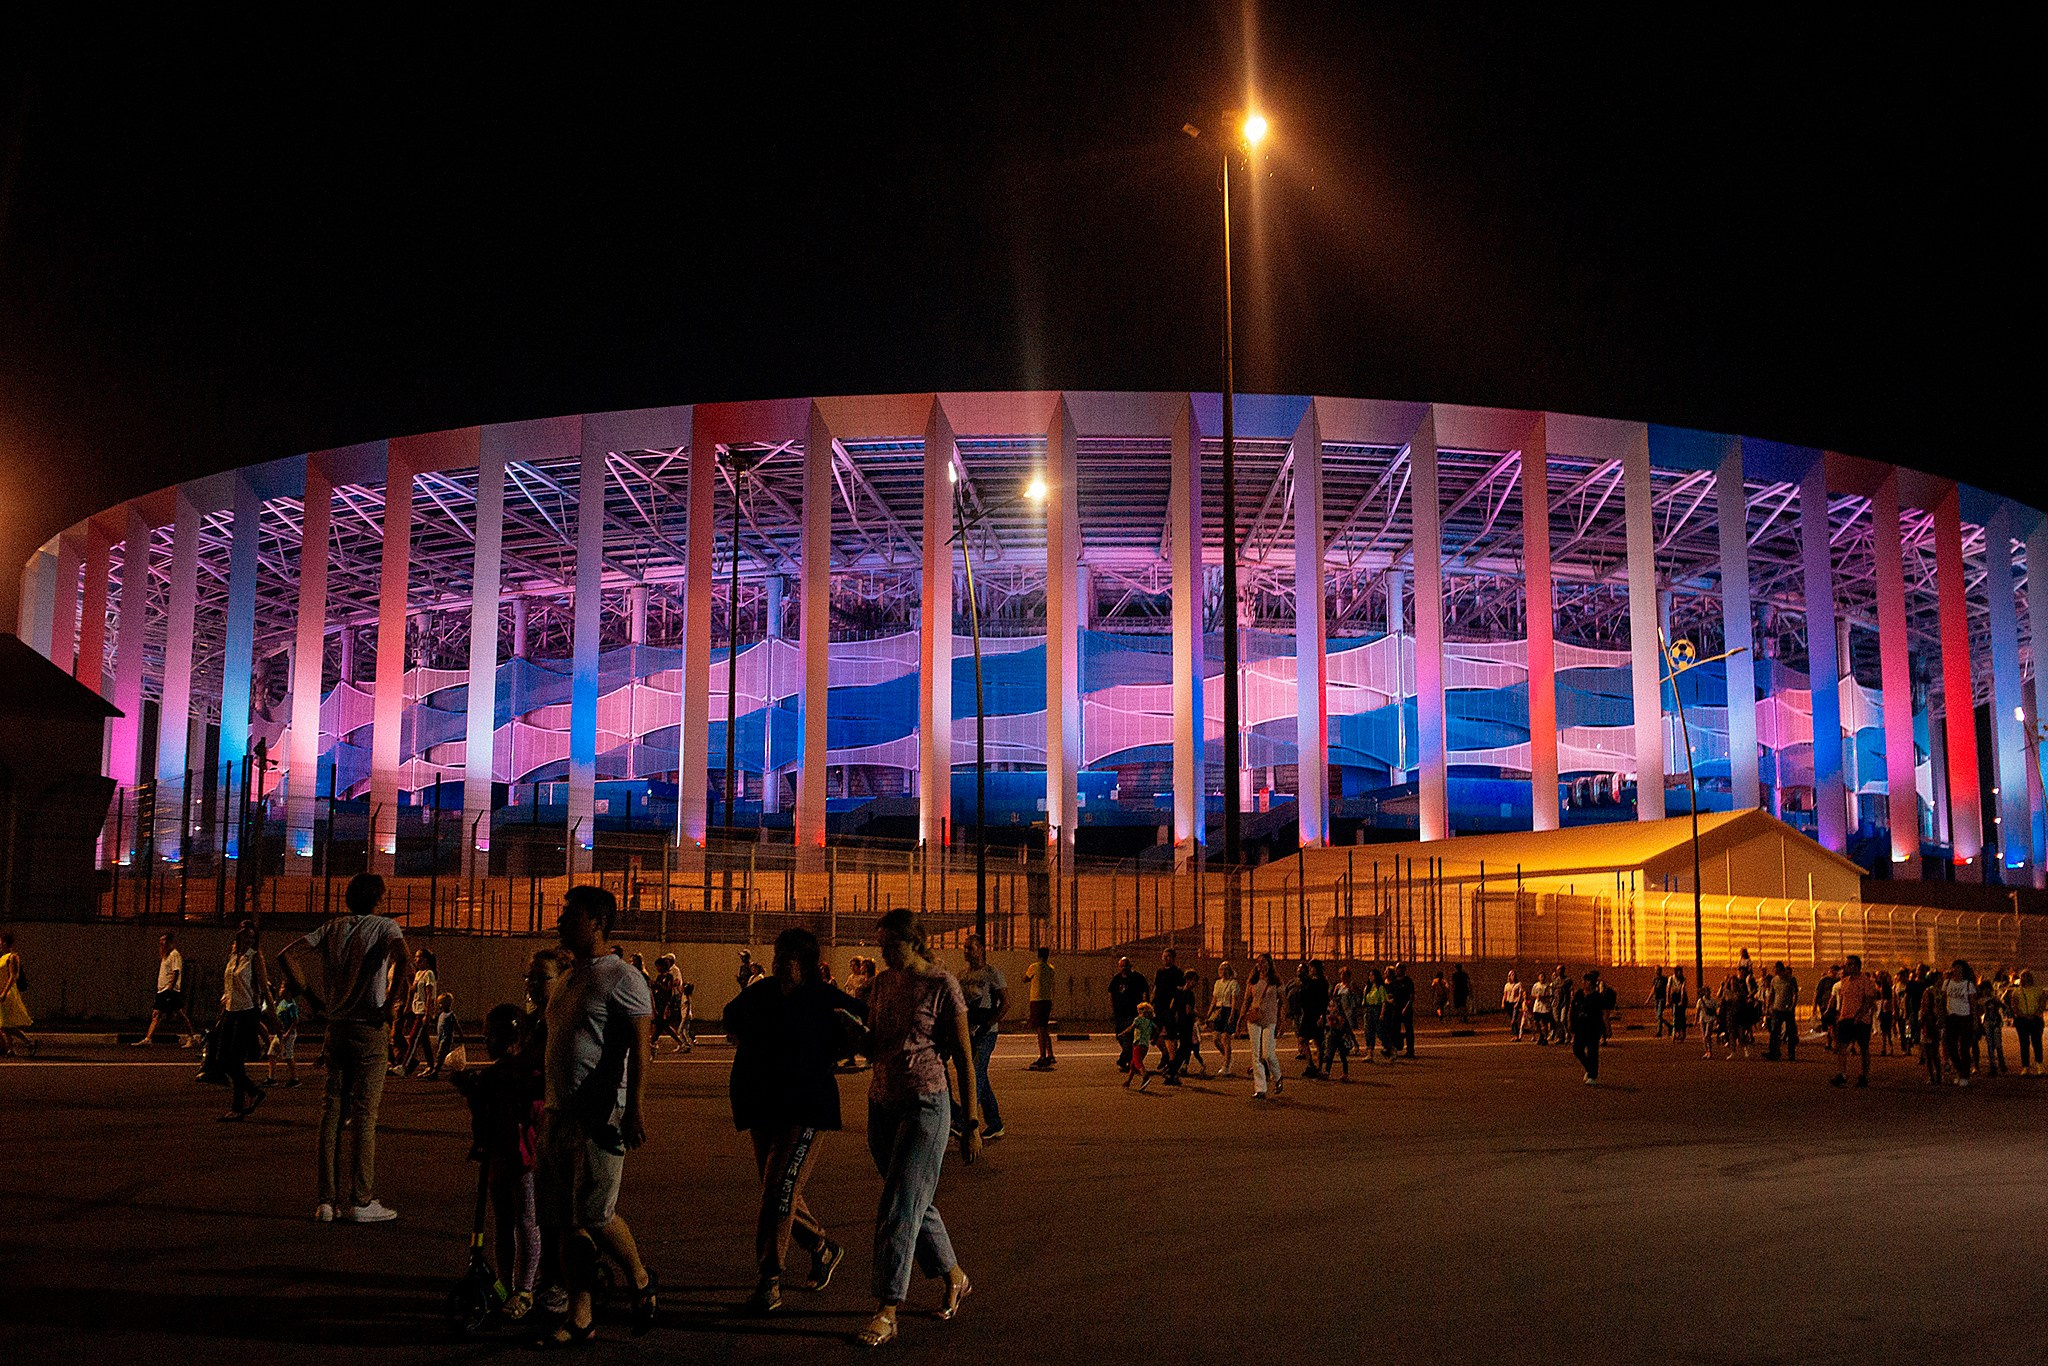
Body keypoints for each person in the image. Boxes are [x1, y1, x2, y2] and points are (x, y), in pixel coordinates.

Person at [535, 884, 656, 1345]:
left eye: (571, 914)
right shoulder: (568, 976)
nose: (561, 921)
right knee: (566, 1220)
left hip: (601, 1113)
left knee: (595, 1213)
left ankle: (641, 1279)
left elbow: (640, 1048)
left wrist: (635, 1107)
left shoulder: (623, 976)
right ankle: (580, 1314)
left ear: (598, 923)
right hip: (559, 1111)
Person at [723, 927, 864, 1314]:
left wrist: (841, 1044)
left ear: (807, 963)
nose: (780, 965)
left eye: (789, 959)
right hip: (762, 1105)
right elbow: (730, 1018)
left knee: (775, 1192)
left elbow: (862, 1029)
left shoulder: (824, 998)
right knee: (781, 1191)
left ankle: (770, 1281)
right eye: (778, 956)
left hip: (805, 1108)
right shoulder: (762, 993)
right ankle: (822, 1246)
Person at [858, 908, 979, 1350]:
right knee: (914, 1200)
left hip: (927, 1105)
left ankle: (888, 1309)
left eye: (893, 944)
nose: (885, 952)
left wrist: (972, 1122)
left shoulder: (941, 984)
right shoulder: (881, 984)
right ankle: (954, 1276)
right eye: (882, 944)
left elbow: (964, 1058)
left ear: (916, 941)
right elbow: (874, 1043)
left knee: (898, 1204)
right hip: (882, 1103)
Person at [278, 872, 409, 1224]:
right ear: (378, 899)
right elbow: (405, 962)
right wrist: (388, 1006)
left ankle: (326, 1201)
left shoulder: (332, 928)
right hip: (369, 1028)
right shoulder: (385, 927)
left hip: (336, 1028)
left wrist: (310, 996)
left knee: (331, 1113)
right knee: (365, 1116)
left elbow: (287, 955)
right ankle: (361, 1199)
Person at [454, 1002, 546, 1322]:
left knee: (525, 1220)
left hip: (520, 1156)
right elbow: (483, 1110)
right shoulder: (498, 1074)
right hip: (498, 1154)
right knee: (504, 1220)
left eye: (492, 1036)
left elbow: (530, 1104)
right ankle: (505, 1286)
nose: (488, 1042)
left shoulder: (526, 1074)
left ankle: (524, 1288)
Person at [217, 921, 271, 1121]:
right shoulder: (233, 956)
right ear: (238, 936)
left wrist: (273, 1017)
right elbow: (228, 987)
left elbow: (264, 988)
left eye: (252, 938)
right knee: (222, 1060)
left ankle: (238, 1106)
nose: (248, 941)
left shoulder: (255, 958)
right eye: (245, 936)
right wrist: (221, 1011)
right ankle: (253, 1091)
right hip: (230, 1011)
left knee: (236, 1060)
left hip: (248, 1012)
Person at [957, 935, 1007, 1137]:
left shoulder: (991, 973)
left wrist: (988, 1024)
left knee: (974, 1075)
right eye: (965, 947)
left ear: (981, 949)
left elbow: (1005, 1003)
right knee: (981, 1077)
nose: (966, 951)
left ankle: (966, 1123)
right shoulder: (962, 975)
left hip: (986, 1033)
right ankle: (995, 1123)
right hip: (968, 1032)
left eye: (970, 948)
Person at [134, 932, 198, 1047]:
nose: (161, 943)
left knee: (178, 1014)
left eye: (164, 940)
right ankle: (148, 1038)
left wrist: (170, 987)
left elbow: (176, 971)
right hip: (162, 990)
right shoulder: (165, 955)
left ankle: (191, 1037)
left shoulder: (174, 954)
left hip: (170, 990)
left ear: (170, 942)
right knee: (157, 1014)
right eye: (160, 940)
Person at [1828, 954, 1876, 1088]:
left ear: (1857, 966)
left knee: (1864, 1048)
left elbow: (1868, 1000)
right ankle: (1842, 1074)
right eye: (1847, 964)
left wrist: (1859, 1015)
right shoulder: (1845, 981)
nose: (1847, 967)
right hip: (1845, 1018)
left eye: (1850, 964)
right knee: (1841, 1046)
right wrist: (1839, 1015)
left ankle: (1864, 1075)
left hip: (1861, 1020)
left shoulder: (1865, 981)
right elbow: (1843, 1000)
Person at [1243, 953, 1284, 1099]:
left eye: (1264, 962)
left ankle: (1277, 1077)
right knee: (1256, 1055)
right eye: (1259, 962)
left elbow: (1283, 1002)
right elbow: (1246, 1000)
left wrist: (1281, 1021)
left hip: (1270, 1020)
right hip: (1254, 1019)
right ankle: (1260, 1089)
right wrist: (1239, 1020)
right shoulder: (1253, 980)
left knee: (1268, 1054)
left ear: (1270, 964)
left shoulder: (1276, 981)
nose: (1261, 965)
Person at [397, 947, 440, 1075]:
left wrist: (427, 1014)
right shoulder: (418, 973)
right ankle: (431, 1067)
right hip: (416, 1010)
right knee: (424, 1040)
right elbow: (413, 989)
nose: (416, 959)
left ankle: (404, 1067)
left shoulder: (429, 974)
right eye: (415, 957)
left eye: (418, 957)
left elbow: (429, 994)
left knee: (413, 1038)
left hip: (422, 1011)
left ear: (426, 959)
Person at [1107, 956, 1148, 1073]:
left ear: (1130, 966)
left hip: (1133, 1014)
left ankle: (1124, 1059)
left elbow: (1145, 992)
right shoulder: (1117, 979)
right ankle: (1129, 1060)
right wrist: (1112, 1009)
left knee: (1129, 1038)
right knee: (1120, 1036)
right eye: (1122, 966)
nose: (1124, 968)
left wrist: (1145, 1008)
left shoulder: (1137, 978)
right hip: (1120, 1013)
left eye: (1126, 965)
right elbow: (1111, 993)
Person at [0, 931, 37, 1058]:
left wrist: (5, 992)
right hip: (2, 991)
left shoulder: (13, 957)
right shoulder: (2, 958)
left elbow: (13, 976)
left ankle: (28, 1042)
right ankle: (10, 1049)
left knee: (4, 1025)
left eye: (1, 942)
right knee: (4, 1023)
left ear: (5, 943)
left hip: (8, 992)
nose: (0, 945)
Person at [1153, 949, 1186, 1083]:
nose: (1165, 959)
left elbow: (1180, 992)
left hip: (1170, 1009)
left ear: (1173, 958)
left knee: (1171, 1039)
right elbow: (1156, 988)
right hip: (1159, 1007)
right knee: (1154, 1035)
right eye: (1163, 957)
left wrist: (1176, 1008)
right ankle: (1166, 1055)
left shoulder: (1178, 973)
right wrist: (1150, 1002)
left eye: (1168, 957)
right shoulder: (1160, 972)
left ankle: (1173, 1069)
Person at [1943, 960, 1978, 1087]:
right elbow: (1943, 1000)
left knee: (1964, 1048)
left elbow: (1973, 1004)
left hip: (1965, 1018)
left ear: (1963, 970)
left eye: (1959, 967)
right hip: (1951, 1017)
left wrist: (1975, 1021)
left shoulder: (1968, 984)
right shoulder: (1947, 983)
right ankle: (1960, 1069)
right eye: (1954, 967)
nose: (1956, 970)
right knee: (1951, 1048)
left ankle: (1965, 1075)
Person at [1570, 970, 1606, 1084]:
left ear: (1591, 982)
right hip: (1580, 1027)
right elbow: (1573, 1009)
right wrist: (1571, 1023)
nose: (1583, 983)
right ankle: (1589, 1068)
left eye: (1586, 981)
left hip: (1593, 1027)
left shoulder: (1596, 997)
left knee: (1592, 1051)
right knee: (1577, 1049)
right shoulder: (1579, 994)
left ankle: (1592, 1075)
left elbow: (1603, 1013)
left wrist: (1606, 1028)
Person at [1023, 946, 1056, 1069]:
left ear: (1038, 955)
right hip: (1047, 1000)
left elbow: (1025, 979)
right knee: (1045, 1027)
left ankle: (1042, 1056)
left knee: (1040, 1029)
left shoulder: (1034, 967)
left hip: (1037, 1000)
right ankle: (1050, 1054)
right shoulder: (1051, 968)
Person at [2009, 970, 2045, 1075]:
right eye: (2023, 977)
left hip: (2035, 1019)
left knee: (2036, 1042)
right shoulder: (2017, 992)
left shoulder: (2037, 990)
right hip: (2023, 1019)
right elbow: (2014, 1006)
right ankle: (2026, 1066)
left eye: (2026, 977)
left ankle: (2039, 1065)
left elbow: (2042, 1003)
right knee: (2024, 1043)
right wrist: (2024, 1015)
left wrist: (2035, 1014)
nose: (2024, 979)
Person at [1208, 961, 1241, 1076]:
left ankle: (1226, 1065)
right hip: (1218, 1010)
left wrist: (1232, 1014)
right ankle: (1228, 1057)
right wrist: (1209, 1013)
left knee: (1225, 1038)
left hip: (1227, 1010)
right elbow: (1214, 999)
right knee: (1215, 1039)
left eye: (1225, 969)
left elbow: (1234, 1001)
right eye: (1221, 969)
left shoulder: (1233, 983)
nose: (1223, 971)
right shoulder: (1217, 983)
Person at [651, 955, 690, 1053]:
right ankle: (679, 1042)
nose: (657, 968)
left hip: (665, 1003)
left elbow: (668, 989)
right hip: (658, 1002)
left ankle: (653, 1042)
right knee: (662, 1025)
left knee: (661, 1024)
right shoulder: (659, 977)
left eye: (658, 966)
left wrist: (659, 985)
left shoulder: (669, 976)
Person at [1765, 961, 1801, 1062]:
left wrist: (1792, 1006)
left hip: (1788, 1010)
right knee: (1774, 1032)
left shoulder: (1791, 979)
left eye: (1775, 969)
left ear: (1780, 969)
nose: (1774, 971)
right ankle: (1773, 1052)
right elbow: (1772, 994)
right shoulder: (1774, 980)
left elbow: (1795, 993)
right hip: (1777, 1008)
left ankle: (1791, 1054)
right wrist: (1769, 1006)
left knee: (1790, 1032)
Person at [265, 989, 301, 1087]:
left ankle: (295, 1079)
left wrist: (287, 1034)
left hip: (287, 1035)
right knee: (271, 1054)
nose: (280, 989)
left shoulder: (291, 1005)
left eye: (282, 986)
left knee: (288, 1056)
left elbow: (295, 1021)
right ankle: (271, 1078)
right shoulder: (282, 1002)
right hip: (280, 1034)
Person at [1121, 1001, 1158, 1091]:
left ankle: (1145, 1076)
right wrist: (1153, 1038)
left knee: (1137, 1062)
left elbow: (1131, 1028)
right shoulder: (1150, 1022)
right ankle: (1128, 1081)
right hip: (1145, 1046)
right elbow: (1156, 1029)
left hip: (1137, 1044)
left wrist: (1122, 1033)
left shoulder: (1138, 1019)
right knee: (1133, 1064)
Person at [1979, 972, 2008, 1077]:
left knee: (1997, 1044)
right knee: (1990, 1045)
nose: (1986, 991)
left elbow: (2004, 1007)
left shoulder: (1994, 999)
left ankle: (2001, 1063)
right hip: (1988, 1023)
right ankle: (1993, 1066)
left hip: (1995, 1022)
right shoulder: (1982, 1000)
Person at [429, 992, 459, 1079]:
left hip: (446, 1039)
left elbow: (456, 1026)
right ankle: (453, 1071)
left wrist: (461, 1036)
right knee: (444, 1055)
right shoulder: (441, 1015)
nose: (439, 1006)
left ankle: (435, 1071)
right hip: (441, 1038)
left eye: (440, 1004)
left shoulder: (450, 1015)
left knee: (440, 1055)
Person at [1501, 970, 1526, 1040]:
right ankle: (1514, 1035)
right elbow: (1505, 995)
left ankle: (1516, 1035)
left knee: (1514, 1019)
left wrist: (1518, 1003)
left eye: (1514, 975)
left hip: (1515, 1003)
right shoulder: (1507, 985)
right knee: (1511, 1020)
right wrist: (1503, 1002)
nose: (1513, 976)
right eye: (1511, 975)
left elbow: (1520, 994)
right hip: (1509, 1003)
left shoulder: (1519, 984)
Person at [1667, 967, 1690, 1043]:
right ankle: (1676, 1031)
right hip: (1674, 996)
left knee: (1682, 1016)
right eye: (1678, 972)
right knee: (1675, 1015)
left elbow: (1682, 990)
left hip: (1682, 997)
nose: (1679, 973)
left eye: (1680, 972)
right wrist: (1668, 1000)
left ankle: (1682, 1032)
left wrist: (1681, 1001)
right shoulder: (1671, 978)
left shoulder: (1683, 979)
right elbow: (1668, 989)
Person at [1646, 966, 1670, 1036]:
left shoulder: (1665, 979)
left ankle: (1663, 1029)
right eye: (1656, 970)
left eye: (1658, 970)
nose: (1656, 971)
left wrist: (1668, 999)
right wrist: (1648, 999)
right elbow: (1653, 989)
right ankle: (1663, 1029)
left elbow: (1668, 989)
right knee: (1658, 1016)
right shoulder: (1655, 979)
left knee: (1659, 1015)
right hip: (1656, 998)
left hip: (1662, 998)